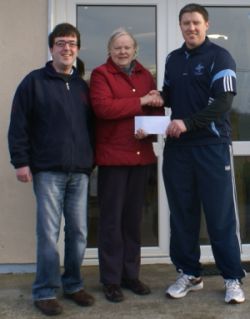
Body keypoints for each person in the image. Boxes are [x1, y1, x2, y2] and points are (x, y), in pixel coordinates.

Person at [160, 3, 245, 304]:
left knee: (220, 216)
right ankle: (189, 273)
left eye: (196, 22)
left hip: (211, 148)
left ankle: (232, 278)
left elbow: (223, 103)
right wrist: (155, 100)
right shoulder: (172, 60)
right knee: (182, 216)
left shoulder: (220, 57)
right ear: (180, 26)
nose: (191, 28)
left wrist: (188, 122)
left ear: (206, 25)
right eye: (186, 23)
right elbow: (168, 96)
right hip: (178, 151)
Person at [8, 23, 95, 316]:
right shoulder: (33, 83)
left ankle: (72, 285)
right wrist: (21, 162)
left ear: (78, 49)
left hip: (79, 172)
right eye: (61, 43)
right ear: (51, 48)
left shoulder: (83, 87)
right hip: (47, 171)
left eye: (71, 43)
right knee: (48, 233)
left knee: (79, 233)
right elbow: (18, 125)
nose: (66, 48)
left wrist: (89, 161)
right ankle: (45, 291)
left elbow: (92, 128)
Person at [89, 28, 163, 303]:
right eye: (117, 47)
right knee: (111, 222)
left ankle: (131, 275)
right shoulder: (100, 75)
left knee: (133, 221)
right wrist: (141, 101)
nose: (122, 52)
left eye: (127, 47)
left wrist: (150, 128)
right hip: (113, 159)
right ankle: (111, 280)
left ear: (135, 50)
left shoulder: (146, 75)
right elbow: (104, 109)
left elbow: (155, 111)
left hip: (140, 157)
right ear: (109, 50)